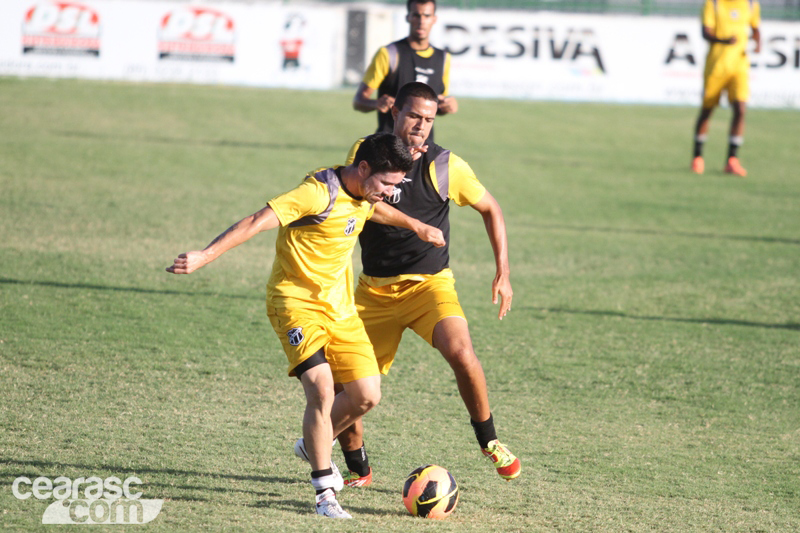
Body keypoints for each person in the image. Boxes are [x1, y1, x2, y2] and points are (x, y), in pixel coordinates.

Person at [166, 133, 445, 518]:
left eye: (396, 185)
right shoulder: (316, 193)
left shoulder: (366, 195)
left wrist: (416, 226)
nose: (390, 193)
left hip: (341, 311)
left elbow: (371, 211)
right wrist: (205, 255)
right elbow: (256, 221)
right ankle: (324, 494)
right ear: (363, 169)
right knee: (321, 388)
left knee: (367, 395)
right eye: (386, 184)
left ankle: (314, 441)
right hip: (295, 304)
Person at [336, 82, 520, 488]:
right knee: (346, 384)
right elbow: (367, 202)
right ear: (395, 112)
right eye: (415, 116)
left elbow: (492, 208)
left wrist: (502, 272)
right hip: (374, 290)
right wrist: (416, 225)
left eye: (429, 119)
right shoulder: (366, 152)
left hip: (430, 286)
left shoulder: (445, 166)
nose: (421, 126)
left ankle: (489, 441)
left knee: (462, 351)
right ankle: (357, 467)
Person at [352, 0, 458, 144]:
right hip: (387, 147)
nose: (421, 21)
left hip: (422, 149)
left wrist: (446, 106)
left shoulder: (443, 58)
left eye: (426, 16)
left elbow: (434, 107)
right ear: (407, 17)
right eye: (416, 15)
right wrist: (376, 103)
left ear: (434, 19)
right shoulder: (389, 54)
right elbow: (359, 101)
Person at [691, 0, 761, 177]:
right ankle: (697, 156)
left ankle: (732, 160)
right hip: (716, 67)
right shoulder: (714, 3)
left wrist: (757, 41)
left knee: (741, 109)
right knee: (707, 111)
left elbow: (755, 27)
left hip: (739, 66)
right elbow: (705, 32)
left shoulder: (751, 4)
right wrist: (723, 40)